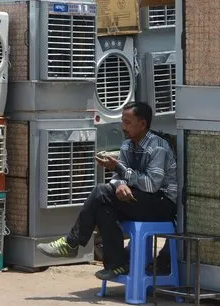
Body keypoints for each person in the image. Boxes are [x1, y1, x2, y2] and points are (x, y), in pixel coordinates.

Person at [36, 101, 178, 280]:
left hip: (162, 204)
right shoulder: (127, 145)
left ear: (142, 124)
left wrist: (119, 170)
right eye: (122, 121)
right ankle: (117, 265)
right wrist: (119, 184)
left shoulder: (157, 147)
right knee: (104, 208)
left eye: (127, 122)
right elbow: (119, 178)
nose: (123, 126)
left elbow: (152, 184)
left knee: (101, 192)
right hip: (140, 200)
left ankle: (72, 242)